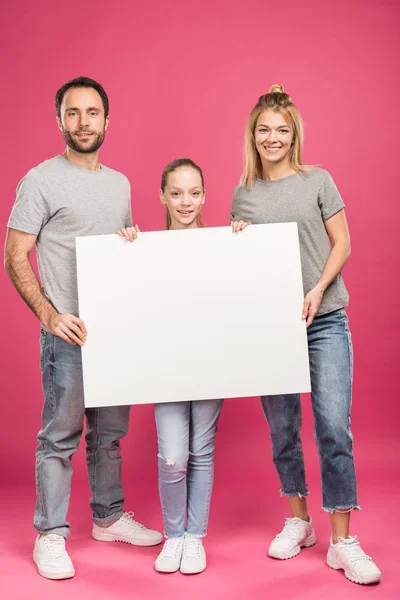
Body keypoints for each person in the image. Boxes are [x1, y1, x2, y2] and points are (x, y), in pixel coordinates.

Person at [5, 76, 162, 581]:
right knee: (60, 436)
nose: (83, 122)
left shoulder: (120, 184)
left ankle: (109, 516)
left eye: (92, 113)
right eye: (73, 113)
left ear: (106, 120)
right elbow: (14, 255)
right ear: (59, 121)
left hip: (115, 332)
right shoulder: (40, 180)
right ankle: (50, 534)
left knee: (110, 434)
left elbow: (119, 254)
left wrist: (131, 240)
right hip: (68, 334)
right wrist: (50, 315)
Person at [230, 85, 381, 585]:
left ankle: (342, 541)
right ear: (252, 135)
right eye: (264, 130)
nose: (272, 138)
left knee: (334, 428)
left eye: (282, 130)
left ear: (294, 135)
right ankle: (299, 521)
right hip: (271, 328)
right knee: (282, 431)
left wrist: (317, 289)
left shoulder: (318, 180)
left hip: (325, 319)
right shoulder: (243, 193)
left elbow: (343, 242)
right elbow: (242, 266)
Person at [118, 158, 240, 575]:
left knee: (201, 450)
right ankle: (173, 535)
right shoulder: (145, 247)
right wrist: (126, 248)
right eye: (176, 193)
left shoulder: (222, 243)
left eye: (193, 193)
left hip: (210, 361)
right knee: (173, 455)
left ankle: (194, 537)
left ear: (204, 195)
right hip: (165, 365)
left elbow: (243, 292)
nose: (185, 202)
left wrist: (243, 244)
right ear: (162, 197)